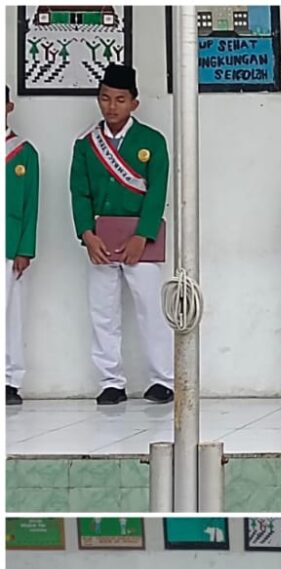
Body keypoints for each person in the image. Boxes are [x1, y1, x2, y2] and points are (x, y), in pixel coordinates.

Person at [68, 64, 172, 406]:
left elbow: (156, 193)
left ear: (134, 103)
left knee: (150, 309)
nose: (111, 106)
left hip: (141, 241)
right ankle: (111, 382)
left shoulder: (152, 141)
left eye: (120, 99)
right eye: (105, 98)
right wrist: (87, 234)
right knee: (103, 312)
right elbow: (79, 192)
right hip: (100, 239)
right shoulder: (86, 144)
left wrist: (143, 235)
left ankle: (162, 379)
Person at [6, 87, 38, 406]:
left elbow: (31, 205)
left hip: (10, 243)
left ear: (9, 106)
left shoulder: (24, 152)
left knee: (10, 314)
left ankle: (9, 379)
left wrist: (25, 248)